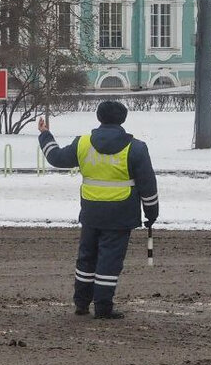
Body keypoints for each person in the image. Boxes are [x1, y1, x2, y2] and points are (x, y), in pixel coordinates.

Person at [37, 101, 158, 320]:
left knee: (87, 258)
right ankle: (103, 307)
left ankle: (81, 303)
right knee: (109, 262)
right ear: (123, 119)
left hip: (91, 212)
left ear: (99, 117)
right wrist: (151, 213)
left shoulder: (83, 143)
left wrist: (45, 135)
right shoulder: (136, 148)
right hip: (120, 215)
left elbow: (55, 158)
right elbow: (148, 185)